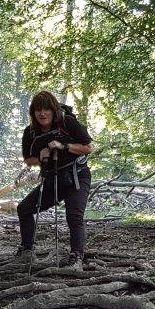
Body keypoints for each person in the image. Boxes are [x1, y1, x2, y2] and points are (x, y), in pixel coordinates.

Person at [17, 90, 94, 269]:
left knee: (74, 216)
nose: (42, 113)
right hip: (53, 179)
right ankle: (27, 251)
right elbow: (28, 159)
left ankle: (76, 258)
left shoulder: (68, 122)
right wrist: (42, 157)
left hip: (77, 176)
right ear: (33, 113)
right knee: (24, 209)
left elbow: (88, 147)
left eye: (46, 109)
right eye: (38, 110)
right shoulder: (30, 132)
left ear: (53, 110)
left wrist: (64, 146)